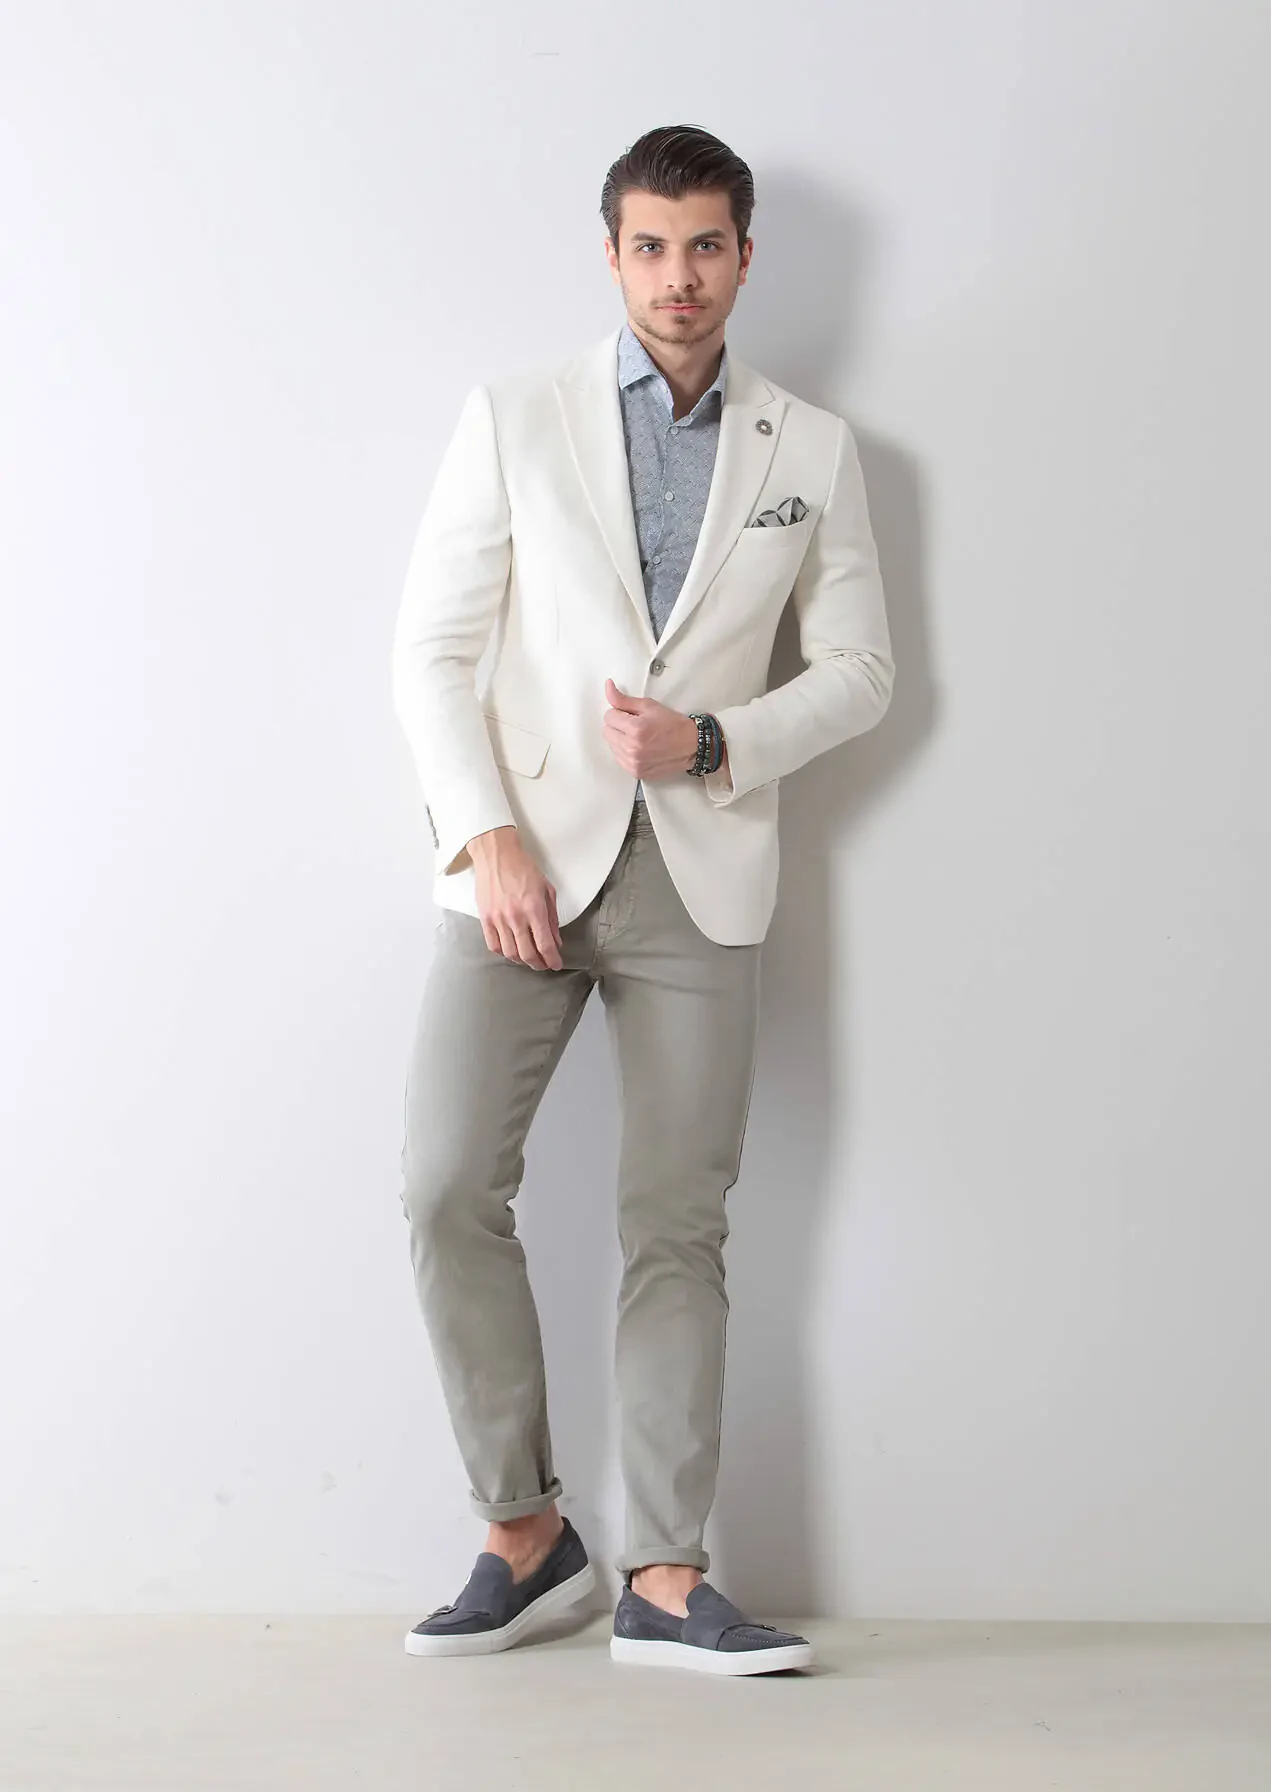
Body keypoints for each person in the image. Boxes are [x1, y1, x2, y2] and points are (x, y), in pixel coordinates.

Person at [391, 123, 893, 1676]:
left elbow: (863, 672)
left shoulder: (811, 450)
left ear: (743, 257)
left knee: (676, 1225)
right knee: (442, 1185)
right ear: (611, 256)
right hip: (522, 871)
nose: (679, 276)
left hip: (701, 877)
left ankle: (665, 1578)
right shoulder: (514, 415)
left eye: (705, 246)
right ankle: (524, 1534)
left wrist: (718, 741)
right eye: (652, 246)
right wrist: (484, 837)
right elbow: (431, 652)